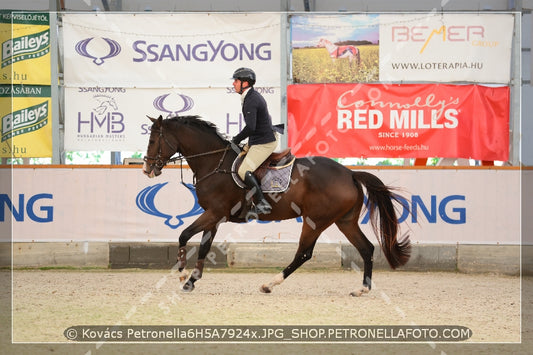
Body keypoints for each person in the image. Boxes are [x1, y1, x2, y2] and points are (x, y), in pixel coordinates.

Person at [231, 67, 279, 215]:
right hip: (257, 139)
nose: (233, 84)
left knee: (244, 170)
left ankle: (262, 203)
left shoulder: (252, 99)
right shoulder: (249, 96)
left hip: (264, 142)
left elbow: (251, 127)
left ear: (245, 83)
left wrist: (236, 139)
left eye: (236, 81)